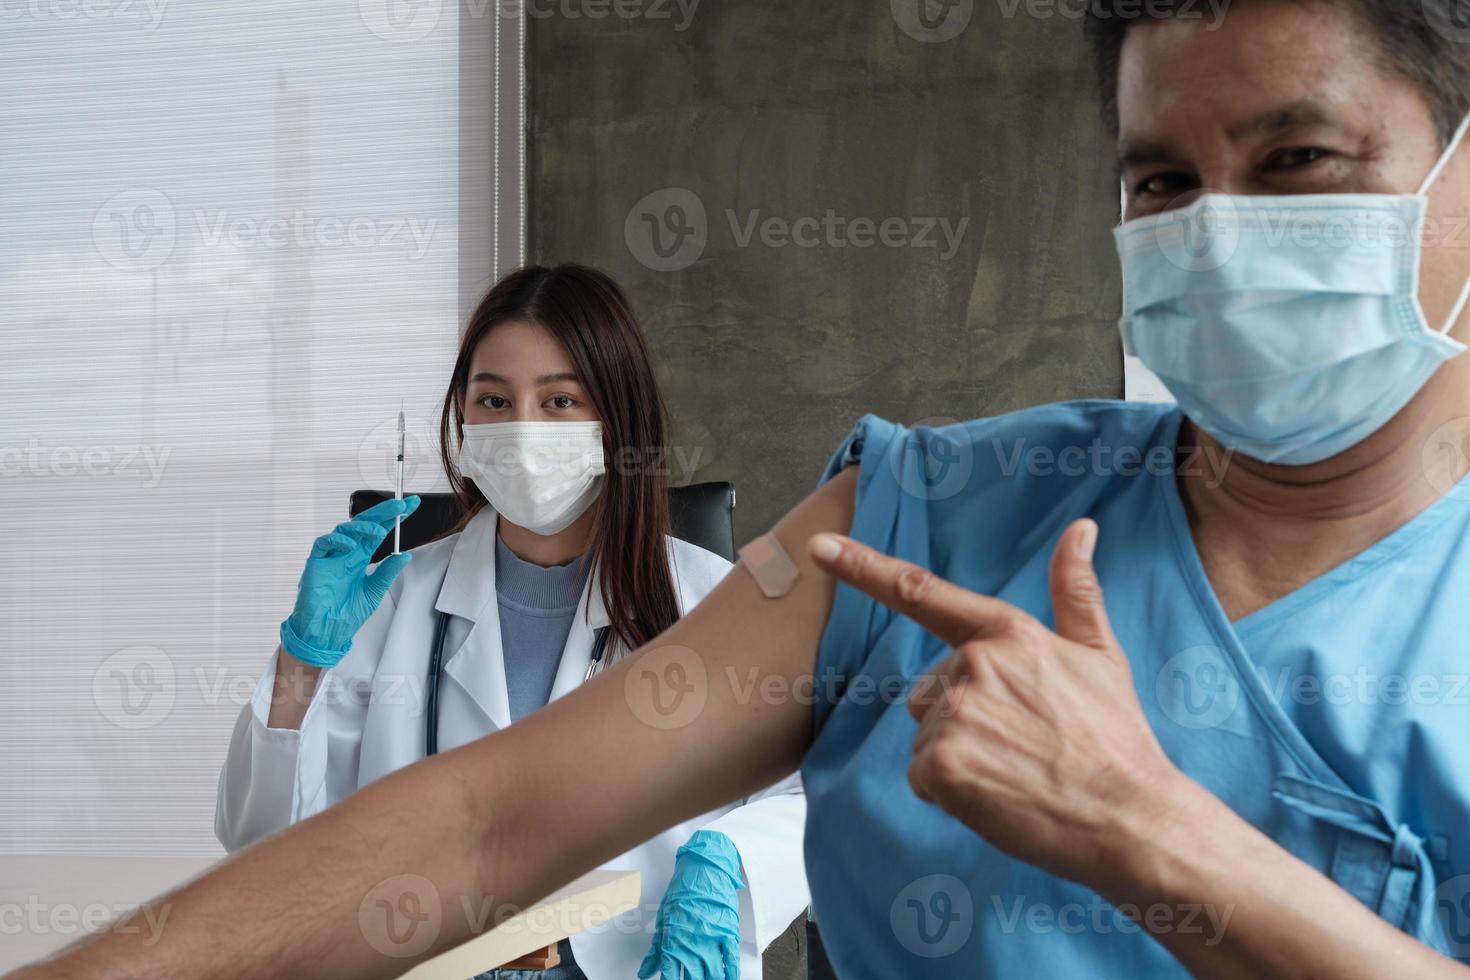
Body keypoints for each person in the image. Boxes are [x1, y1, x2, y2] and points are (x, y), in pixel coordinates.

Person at [13, 1, 1470, 977]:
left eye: (1297, 160)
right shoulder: (927, 520)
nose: (1213, 237)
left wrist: (1147, 828)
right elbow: (475, 827)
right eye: (1157, 183)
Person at [212, 264, 809, 980]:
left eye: (559, 400)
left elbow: (812, 795)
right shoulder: (387, 605)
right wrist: (300, 665)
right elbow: (260, 842)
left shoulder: (712, 601)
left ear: (618, 421)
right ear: (462, 420)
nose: (521, 429)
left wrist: (730, 867)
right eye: (493, 399)